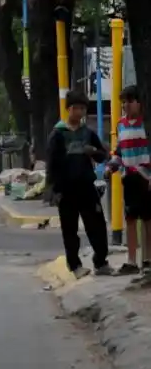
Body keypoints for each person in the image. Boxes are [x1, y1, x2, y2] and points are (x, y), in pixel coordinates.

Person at [46, 90, 113, 279]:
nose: (81, 112)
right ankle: (75, 265)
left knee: (97, 225)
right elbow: (51, 165)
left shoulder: (88, 133)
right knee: (70, 229)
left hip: (86, 187)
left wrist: (94, 152)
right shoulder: (58, 134)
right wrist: (53, 190)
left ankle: (101, 261)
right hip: (66, 189)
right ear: (69, 109)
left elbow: (103, 155)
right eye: (77, 108)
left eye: (83, 109)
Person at [105, 85, 151, 276]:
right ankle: (131, 261)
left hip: (146, 178)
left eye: (130, 101)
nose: (126, 105)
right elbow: (119, 152)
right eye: (123, 102)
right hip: (129, 178)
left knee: (147, 220)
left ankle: (147, 260)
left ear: (139, 103)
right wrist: (111, 167)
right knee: (130, 219)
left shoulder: (146, 124)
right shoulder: (121, 125)